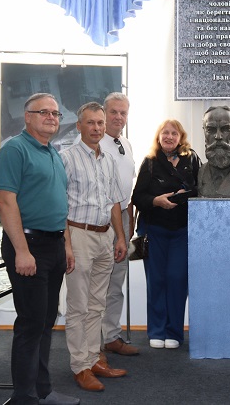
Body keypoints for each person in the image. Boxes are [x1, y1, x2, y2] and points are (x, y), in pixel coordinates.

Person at [0, 93, 79, 405]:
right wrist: (21, 250)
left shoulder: (53, 153)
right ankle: (24, 396)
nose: (51, 118)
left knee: (45, 321)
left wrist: (66, 245)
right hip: (28, 246)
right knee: (31, 323)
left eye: (56, 113)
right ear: (27, 116)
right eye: (44, 112)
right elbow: (6, 202)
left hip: (53, 245)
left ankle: (42, 390)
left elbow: (60, 204)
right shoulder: (14, 150)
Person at [61, 102, 128, 392]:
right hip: (79, 235)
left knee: (97, 304)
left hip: (104, 236)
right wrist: (66, 243)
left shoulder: (109, 159)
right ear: (79, 126)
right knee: (78, 306)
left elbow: (114, 202)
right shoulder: (66, 158)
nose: (97, 128)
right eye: (90, 123)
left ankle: (93, 359)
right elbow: (59, 204)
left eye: (100, 123)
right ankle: (80, 367)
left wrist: (120, 237)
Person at [131, 120, 200, 349]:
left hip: (182, 231)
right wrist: (156, 201)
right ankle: (157, 331)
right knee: (156, 281)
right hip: (154, 231)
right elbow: (138, 197)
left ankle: (174, 333)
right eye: (165, 133)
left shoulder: (192, 159)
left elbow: (202, 190)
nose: (169, 137)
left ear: (181, 137)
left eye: (174, 133)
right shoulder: (150, 162)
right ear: (159, 136)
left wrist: (185, 195)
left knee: (177, 280)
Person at [99, 93, 140, 356]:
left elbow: (128, 186)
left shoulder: (125, 143)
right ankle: (93, 345)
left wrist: (130, 219)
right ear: (104, 113)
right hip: (99, 220)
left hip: (122, 217)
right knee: (97, 283)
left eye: (123, 113)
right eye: (113, 112)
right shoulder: (93, 142)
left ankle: (111, 336)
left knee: (116, 281)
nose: (118, 117)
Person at [199, 105, 230, 198]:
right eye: (211, 130)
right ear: (205, 135)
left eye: (226, 129)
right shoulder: (199, 172)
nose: (218, 136)